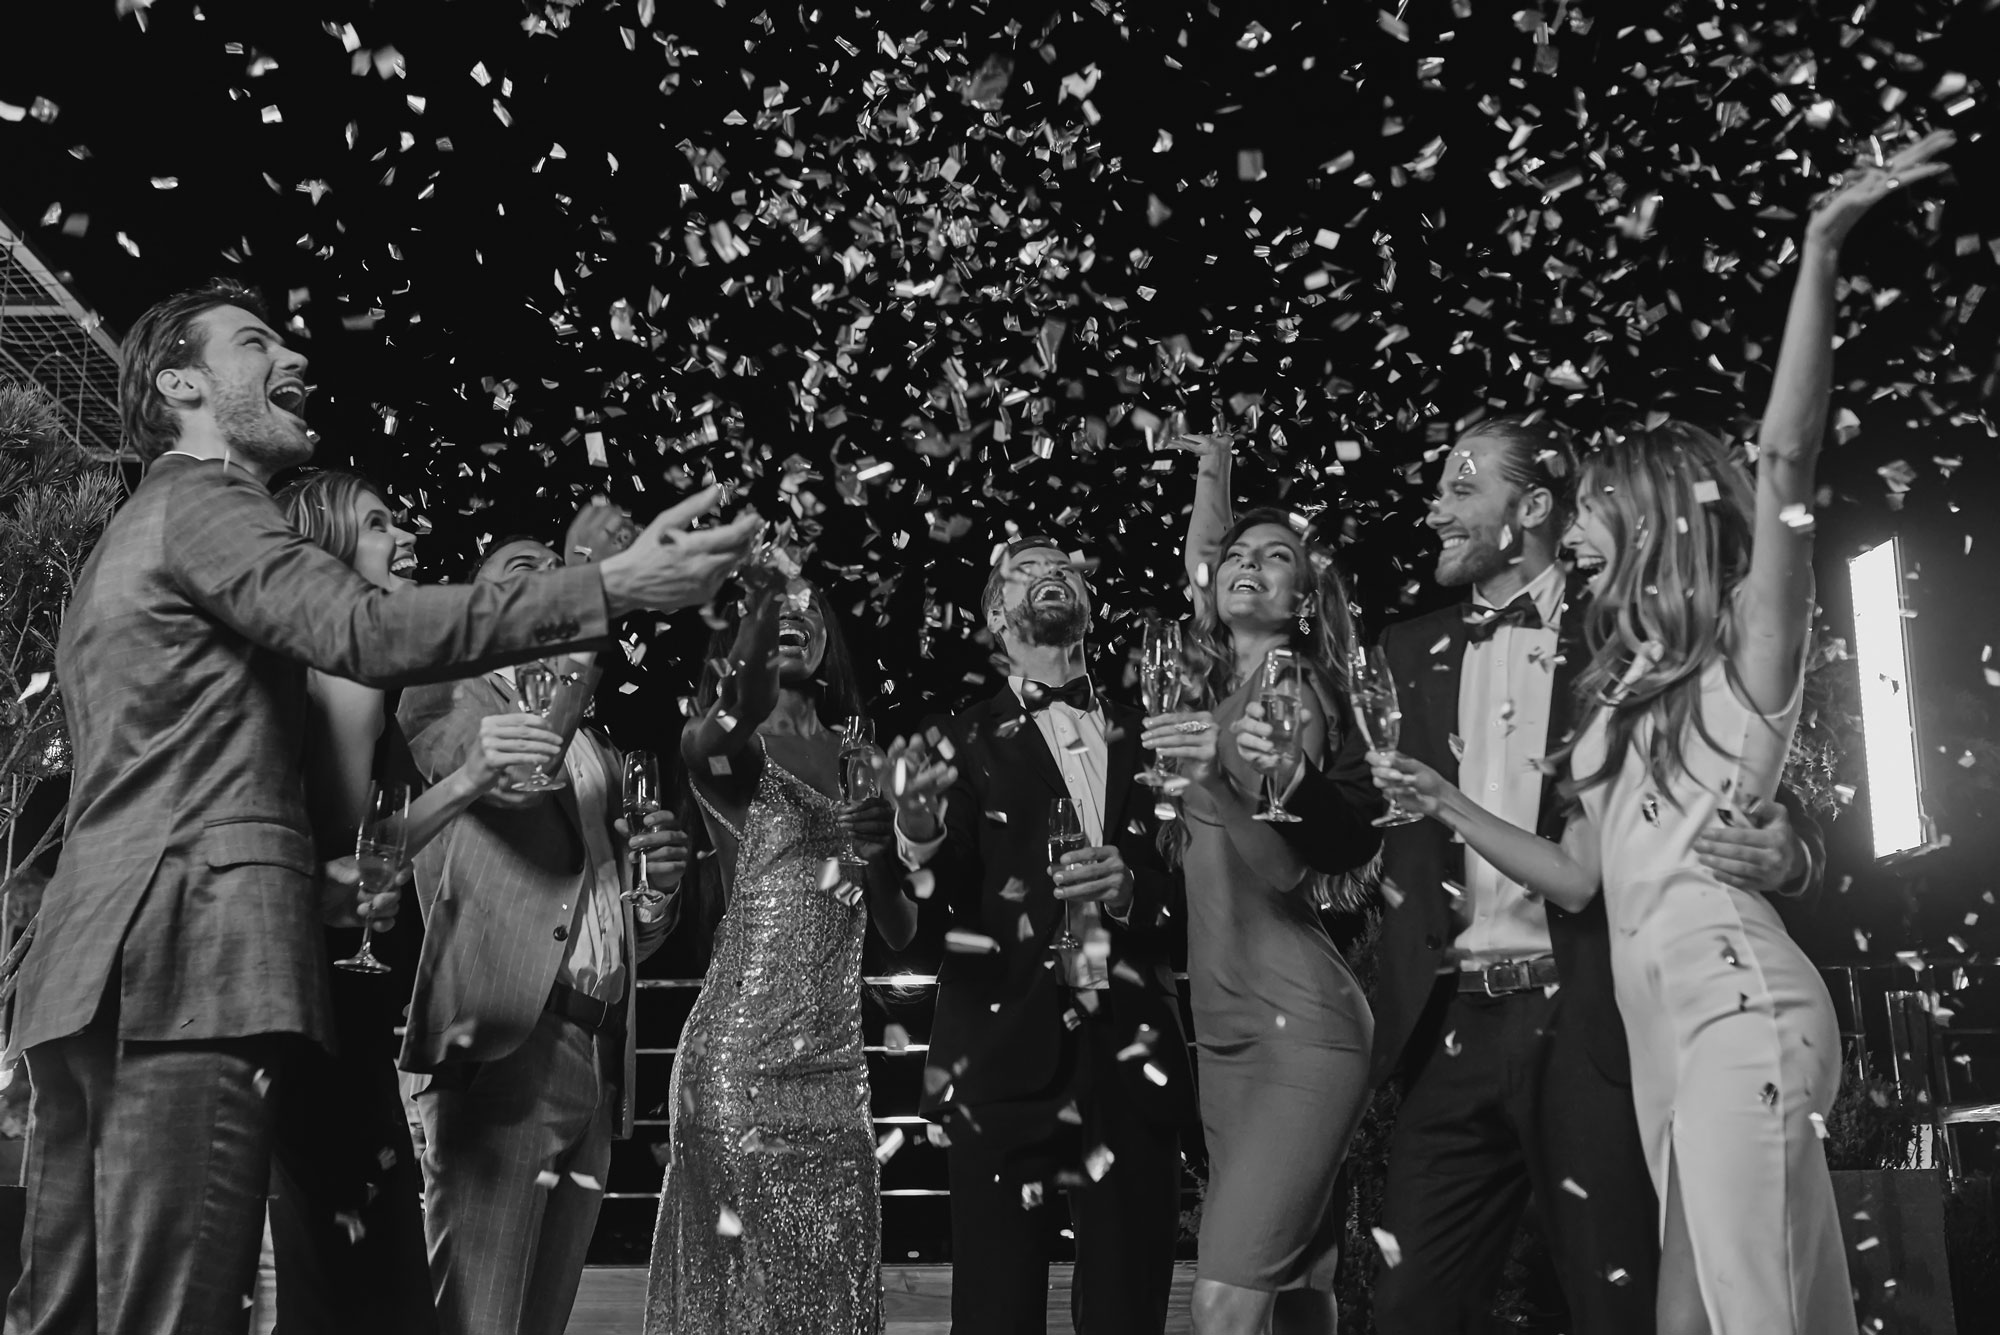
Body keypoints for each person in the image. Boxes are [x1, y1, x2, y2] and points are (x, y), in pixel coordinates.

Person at [2, 280, 758, 1335]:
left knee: (74, 1315)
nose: (292, 354)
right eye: (256, 341)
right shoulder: (205, 499)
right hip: (188, 964)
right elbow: (361, 631)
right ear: (181, 384)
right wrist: (610, 588)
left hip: (96, 968)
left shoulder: (130, 538)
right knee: (173, 1312)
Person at [1370, 132, 1954, 1335]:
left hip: (1739, 1012)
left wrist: (1819, 249)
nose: (1572, 534)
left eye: (1589, 512)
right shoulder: (1614, 684)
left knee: (1747, 1319)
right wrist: (1446, 806)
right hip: (1657, 1040)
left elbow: (1784, 452)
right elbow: (1581, 872)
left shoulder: (1747, 647)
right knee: (1700, 1321)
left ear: (1651, 519)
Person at [255, 470, 555, 1334]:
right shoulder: (343, 673)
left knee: (335, 1273)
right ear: (327, 548)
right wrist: (471, 777)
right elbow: (356, 863)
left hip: (314, 1000)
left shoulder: (306, 665)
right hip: (326, 1015)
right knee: (367, 1290)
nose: (405, 537)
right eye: (379, 523)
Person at [883, 536, 1197, 1335]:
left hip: (1132, 1046)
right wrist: (916, 832)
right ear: (996, 614)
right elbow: (933, 906)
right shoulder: (955, 737)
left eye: (1063, 566)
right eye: (1024, 569)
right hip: (997, 1050)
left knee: (1130, 1306)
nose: (1050, 572)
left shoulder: (1153, 734)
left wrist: (1135, 892)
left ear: (1088, 606)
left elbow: (1198, 898)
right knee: (993, 1309)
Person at [394, 533, 691, 1335]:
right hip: (502, 1052)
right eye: (522, 573)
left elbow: (601, 919)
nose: (552, 584)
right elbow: (516, 791)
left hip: (593, 1058)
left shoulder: (598, 745)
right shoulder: (449, 696)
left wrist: (655, 892)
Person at [1139, 491, 1384, 1335]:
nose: (1249, 563)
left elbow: (1286, 870)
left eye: (1277, 556)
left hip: (1296, 1027)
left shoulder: (1287, 693)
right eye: (1238, 554)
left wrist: (1207, 781)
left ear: (1305, 600)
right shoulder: (1214, 697)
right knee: (1295, 1293)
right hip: (1229, 1030)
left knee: (1223, 1303)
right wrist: (1212, 466)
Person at [645, 562, 913, 1333]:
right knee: (745, 1298)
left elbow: (898, 928)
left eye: (808, 607)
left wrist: (884, 851)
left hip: (838, 1077)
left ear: (831, 641)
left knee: (834, 1302)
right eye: (773, 608)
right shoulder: (731, 746)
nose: (793, 613)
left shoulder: (862, 755)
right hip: (739, 1067)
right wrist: (757, 613)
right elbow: (710, 737)